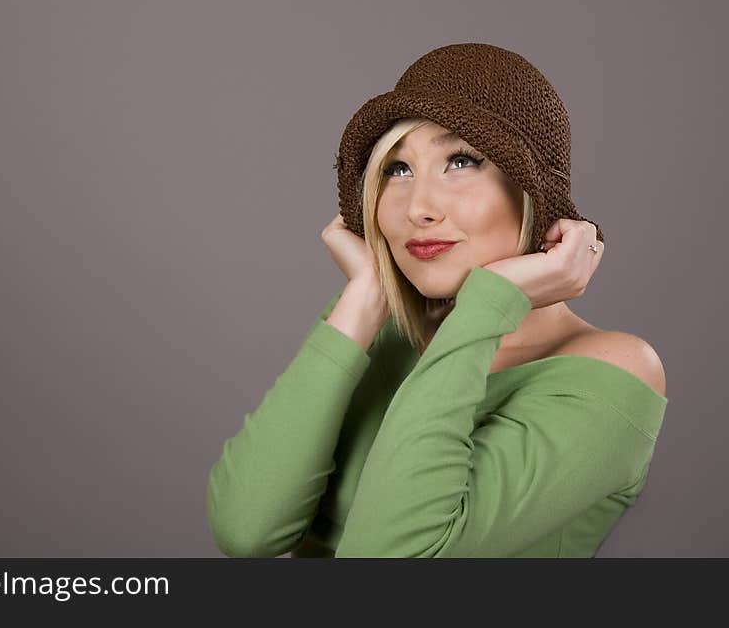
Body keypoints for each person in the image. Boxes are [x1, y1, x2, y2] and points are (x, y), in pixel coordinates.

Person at [206, 43, 668, 558]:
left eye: (461, 161)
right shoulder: (379, 330)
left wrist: (493, 303)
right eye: (397, 170)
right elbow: (245, 528)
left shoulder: (613, 372)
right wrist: (364, 298)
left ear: (532, 193)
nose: (418, 208)